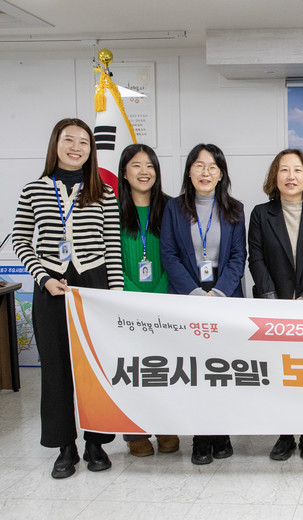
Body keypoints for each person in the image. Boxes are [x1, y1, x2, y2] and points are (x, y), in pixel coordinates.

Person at [12, 118, 122, 479]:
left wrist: (115, 295)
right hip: (51, 286)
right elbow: (21, 239)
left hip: (94, 285)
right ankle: (65, 446)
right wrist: (42, 277)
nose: (76, 148)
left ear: (92, 150)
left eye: (84, 142)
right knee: (56, 369)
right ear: (55, 144)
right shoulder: (33, 190)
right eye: (69, 140)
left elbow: (112, 246)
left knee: (95, 368)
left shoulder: (103, 192)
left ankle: (96, 443)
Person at [160, 143, 246, 465]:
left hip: (225, 299)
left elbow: (238, 256)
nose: (205, 172)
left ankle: (221, 434)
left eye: (212, 167)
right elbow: (169, 255)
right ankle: (199, 437)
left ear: (221, 174)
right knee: (194, 372)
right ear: (189, 171)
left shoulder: (235, 209)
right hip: (187, 298)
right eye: (199, 165)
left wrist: (219, 294)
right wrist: (196, 294)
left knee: (222, 371)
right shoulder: (173, 208)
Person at [248, 149, 303, 461]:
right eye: (284, 170)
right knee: (280, 373)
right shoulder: (261, 214)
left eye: (297, 170)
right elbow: (256, 259)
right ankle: (285, 435)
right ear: (275, 177)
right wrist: (274, 301)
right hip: (274, 308)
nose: (290, 176)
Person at [116, 143, 180, 458]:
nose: (144, 172)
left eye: (150, 166)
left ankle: (167, 425)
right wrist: (131, 292)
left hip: (164, 300)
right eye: (137, 165)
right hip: (124, 302)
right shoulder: (111, 209)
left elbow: (176, 254)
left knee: (164, 368)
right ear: (124, 172)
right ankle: (135, 432)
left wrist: (159, 291)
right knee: (132, 370)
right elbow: (108, 256)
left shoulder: (171, 207)